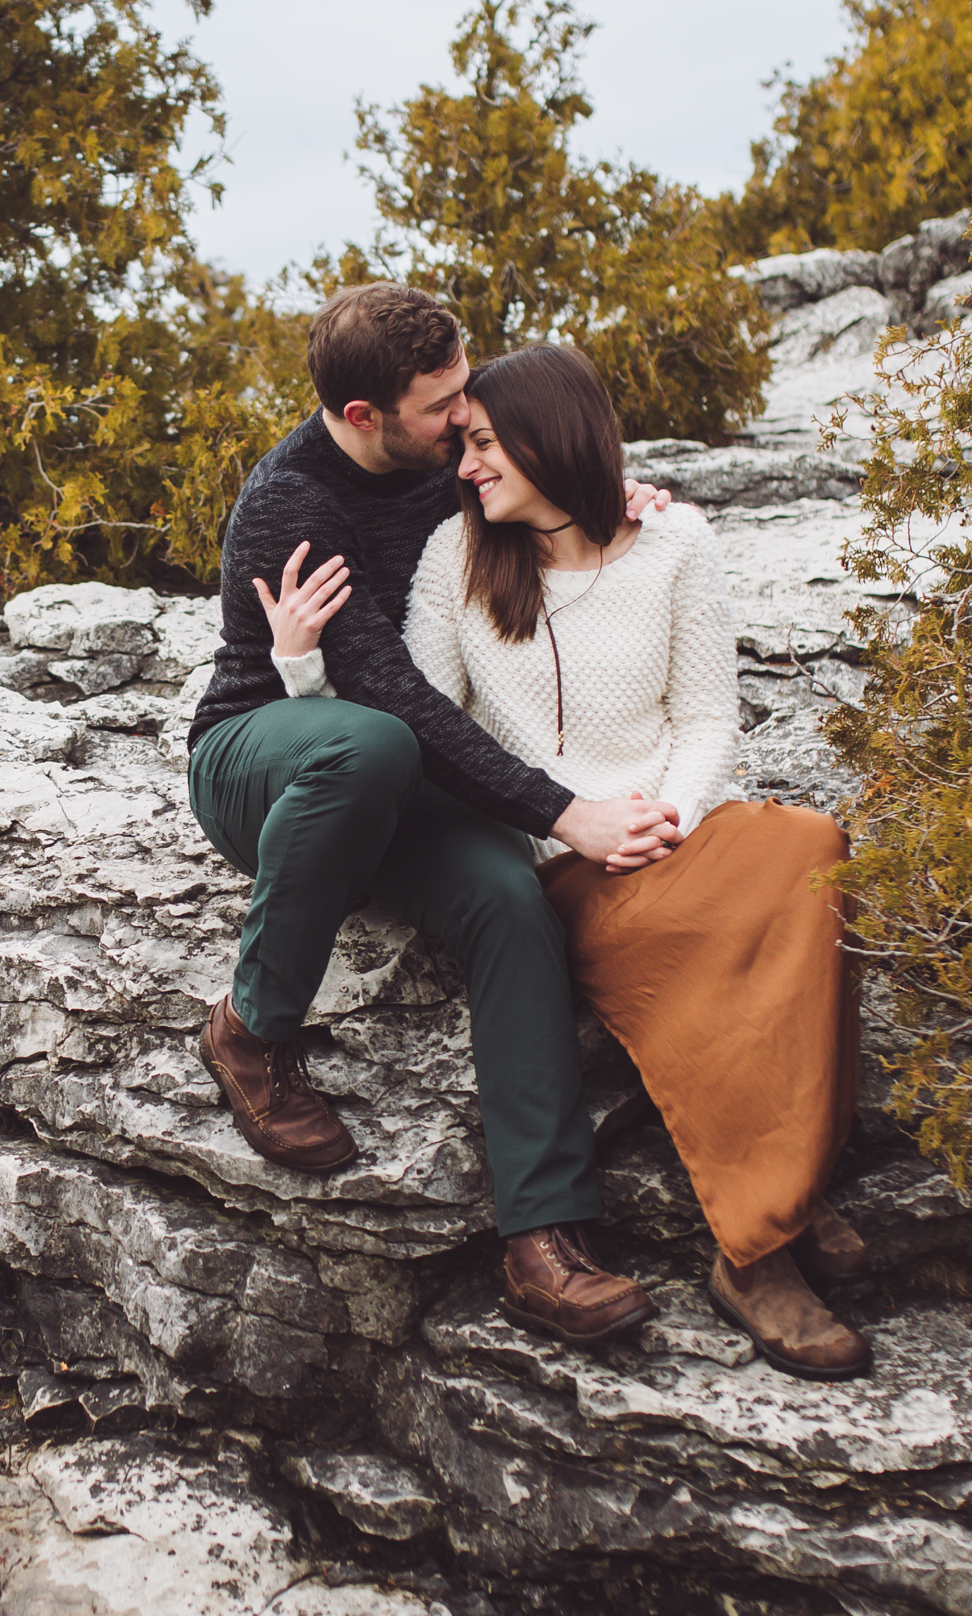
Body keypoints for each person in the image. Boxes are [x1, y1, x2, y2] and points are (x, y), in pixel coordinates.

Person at [267, 341, 872, 1381]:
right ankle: (765, 1245)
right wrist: (299, 668)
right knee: (729, 938)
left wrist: (667, 820)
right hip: (556, 863)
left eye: (488, 444)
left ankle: (787, 1194)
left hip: (676, 836)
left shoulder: (675, 540)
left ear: (554, 440)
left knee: (810, 848)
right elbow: (414, 730)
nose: (466, 465)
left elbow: (710, 715)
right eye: (464, 446)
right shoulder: (457, 560)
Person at [185, 283, 681, 1350]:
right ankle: (250, 1031)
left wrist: (607, 503)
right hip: (269, 757)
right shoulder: (293, 506)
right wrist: (567, 812)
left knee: (509, 901)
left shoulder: (441, 467)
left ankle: (545, 1241)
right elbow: (386, 697)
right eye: (443, 401)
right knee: (371, 743)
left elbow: (528, 515)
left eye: (467, 386)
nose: (467, 417)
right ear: (365, 415)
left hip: (406, 781)